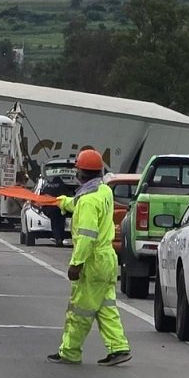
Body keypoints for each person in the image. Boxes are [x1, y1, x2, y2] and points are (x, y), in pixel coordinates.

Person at [47, 148, 132, 366]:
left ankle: (70, 351)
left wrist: (76, 264)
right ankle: (119, 347)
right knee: (105, 307)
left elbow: (86, 236)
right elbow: (76, 202)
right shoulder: (103, 191)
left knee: (80, 310)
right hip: (107, 259)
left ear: (81, 173)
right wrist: (59, 201)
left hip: (93, 261)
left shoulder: (87, 201)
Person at [41, 175, 73, 246]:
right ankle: (61, 238)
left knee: (54, 225)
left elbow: (42, 196)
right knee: (61, 224)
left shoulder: (47, 186)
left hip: (51, 209)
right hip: (61, 208)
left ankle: (58, 239)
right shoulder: (62, 186)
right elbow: (67, 196)